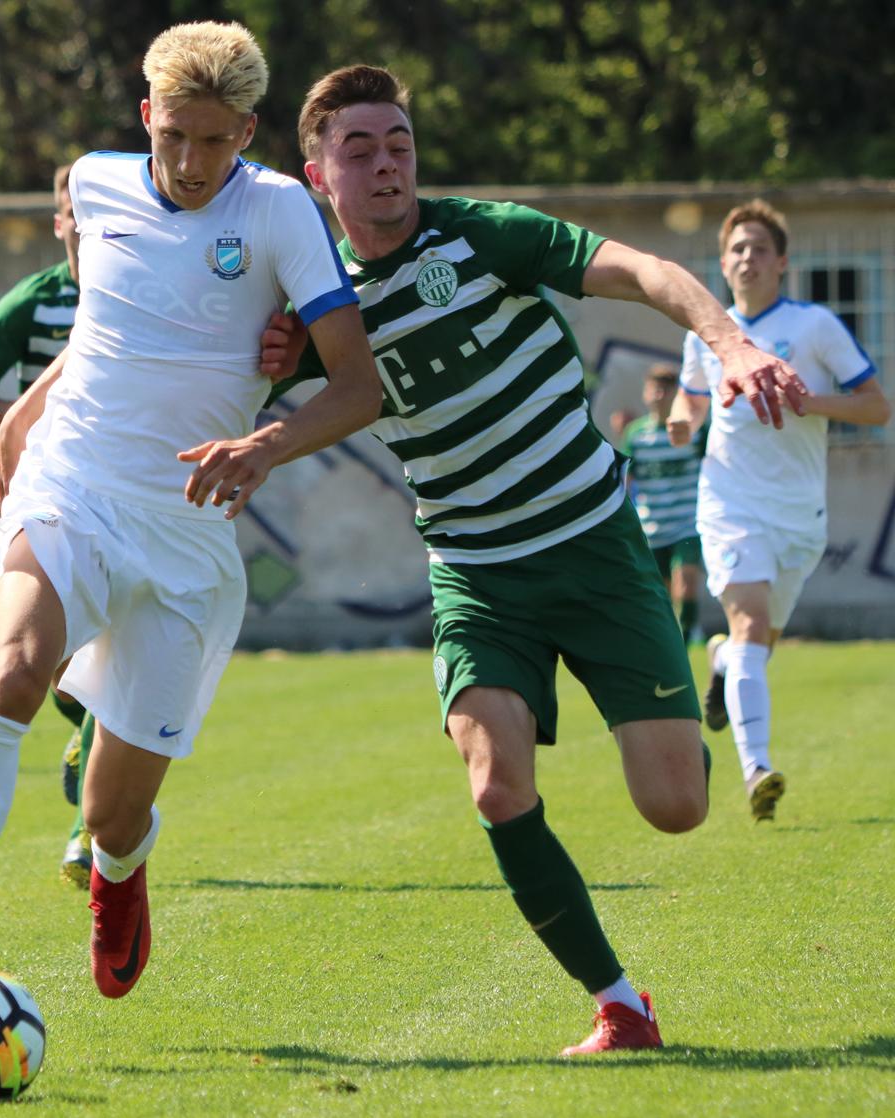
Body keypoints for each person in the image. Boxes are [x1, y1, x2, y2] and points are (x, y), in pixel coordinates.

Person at [264, 64, 807, 1055]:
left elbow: (648, 271)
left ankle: (694, 701)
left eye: (399, 144)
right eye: (360, 149)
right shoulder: (320, 308)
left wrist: (729, 343)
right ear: (316, 176)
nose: (386, 165)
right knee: (494, 784)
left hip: (594, 546)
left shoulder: (485, 234)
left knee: (677, 806)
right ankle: (620, 1005)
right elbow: (199, 369)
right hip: (477, 575)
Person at [0, 21, 382, 1020]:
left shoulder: (282, 212)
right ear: (146, 113)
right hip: (71, 489)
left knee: (110, 812)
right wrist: (27, 411)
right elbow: (103, 325)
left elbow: (359, 386)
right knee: (13, 674)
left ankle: (121, 866)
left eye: (217, 142)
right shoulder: (94, 183)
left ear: (249, 131)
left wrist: (264, 444)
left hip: (186, 537)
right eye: (175, 137)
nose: (194, 163)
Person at [669, 199, 889, 822]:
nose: (748, 258)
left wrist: (809, 402)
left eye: (760, 248)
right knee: (750, 625)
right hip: (730, 503)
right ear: (723, 264)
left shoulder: (814, 326)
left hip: (799, 515)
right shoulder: (705, 334)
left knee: (758, 642)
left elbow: (876, 407)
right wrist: (681, 422)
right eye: (737, 249)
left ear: (782, 263)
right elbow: (690, 402)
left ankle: (719, 661)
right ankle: (756, 771)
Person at [0, 162, 94, 889]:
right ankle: (87, 748)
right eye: (72, 208)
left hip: (129, 502)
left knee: (110, 668)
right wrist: (36, 419)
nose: (85, 220)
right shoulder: (33, 302)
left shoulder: (151, 286)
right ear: (58, 221)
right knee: (53, 672)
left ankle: (88, 833)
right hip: (47, 501)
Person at [621, 363, 706, 645]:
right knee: (661, 593)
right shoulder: (636, 434)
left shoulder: (693, 430)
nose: (659, 394)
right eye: (654, 388)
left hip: (687, 522)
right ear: (645, 393)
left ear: (675, 393)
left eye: (665, 389)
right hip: (653, 527)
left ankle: (687, 637)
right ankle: (666, 640)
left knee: (687, 580)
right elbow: (626, 481)